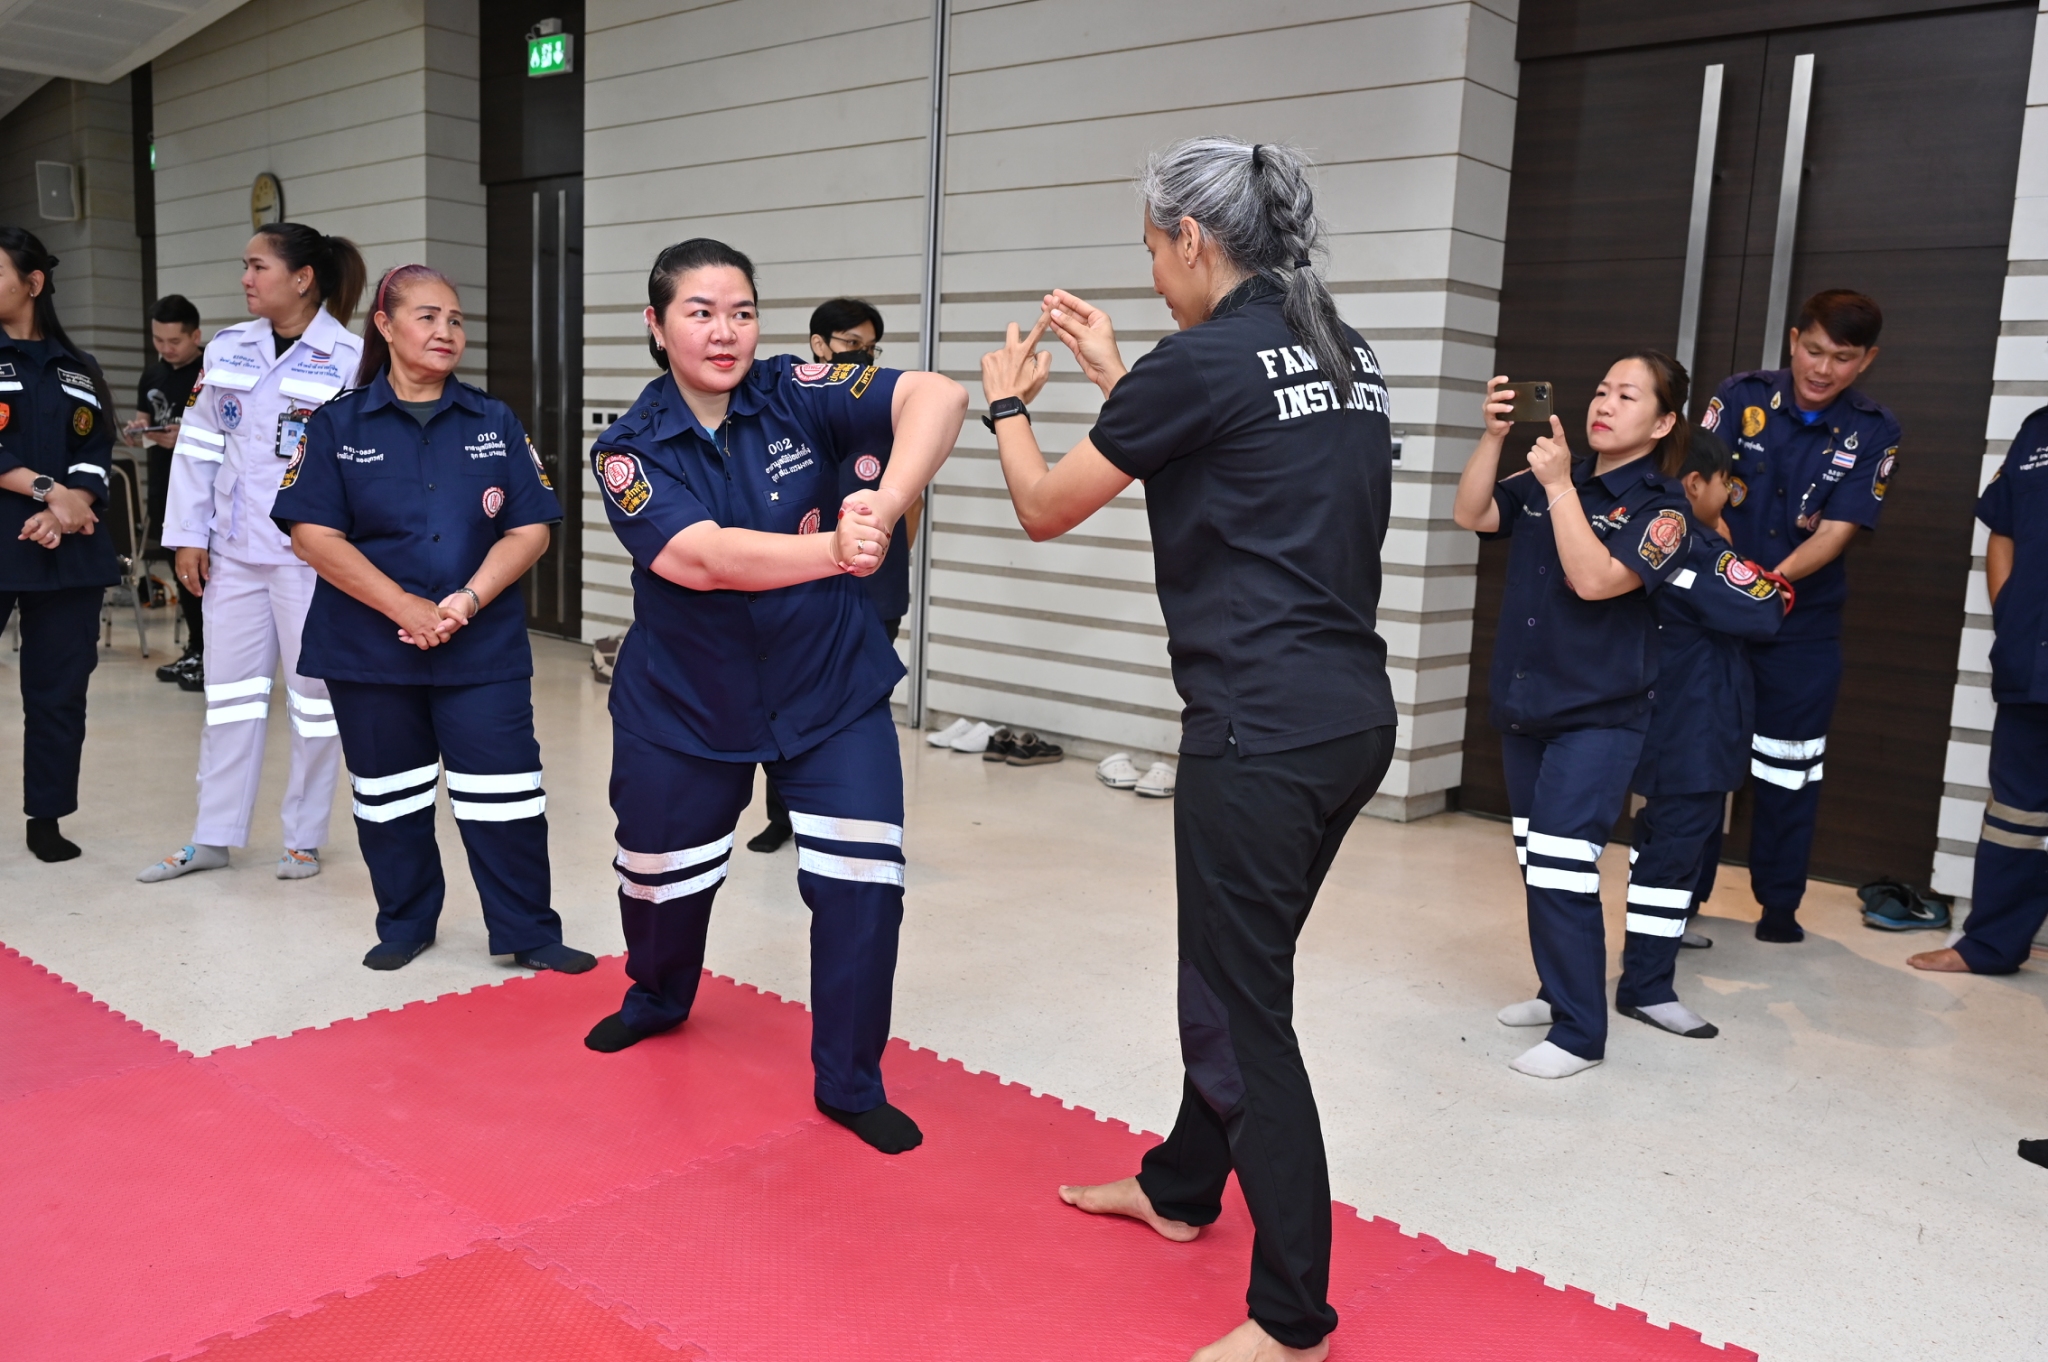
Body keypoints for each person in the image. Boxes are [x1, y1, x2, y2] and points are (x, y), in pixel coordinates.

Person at [983, 138, 1397, 1362]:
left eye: (1152, 250)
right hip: (1346, 720)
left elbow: (1044, 506)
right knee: (1228, 971)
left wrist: (1007, 404)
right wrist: (1121, 370)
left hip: (1257, 732)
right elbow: (1230, 456)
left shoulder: (1205, 361)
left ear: (1192, 239)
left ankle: (1292, 1319)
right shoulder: (1340, 350)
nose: (1152, 273)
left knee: (1239, 1008)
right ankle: (1178, 1187)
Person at [582, 238, 967, 1158]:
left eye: (742, 312)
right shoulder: (628, 449)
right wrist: (834, 549)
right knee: (661, 880)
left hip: (829, 686)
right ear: (656, 325)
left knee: (862, 886)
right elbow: (702, 558)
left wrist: (883, 504)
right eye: (700, 313)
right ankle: (658, 994)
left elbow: (938, 397)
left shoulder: (798, 388)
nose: (725, 332)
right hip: (684, 702)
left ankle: (850, 1082)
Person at [270, 265, 595, 974]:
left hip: (480, 647)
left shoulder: (493, 420)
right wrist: (405, 607)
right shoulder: (336, 424)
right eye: (427, 317)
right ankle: (406, 922)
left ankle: (528, 930)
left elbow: (530, 529)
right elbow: (312, 537)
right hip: (369, 648)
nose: (446, 331)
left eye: (455, 319)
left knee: (506, 792)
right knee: (390, 796)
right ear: (385, 326)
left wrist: (467, 600)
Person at [1453, 356, 1695, 1081]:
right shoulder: (1556, 476)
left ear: (1663, 422)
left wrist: (1560, 487)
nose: (1605, 404)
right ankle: (1558, 990)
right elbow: (1473, 514)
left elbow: (1596, 581)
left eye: (1628, 396)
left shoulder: (1665, 508)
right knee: (1540, 862)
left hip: (1599, 717)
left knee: (1563, 864)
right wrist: (1493, 438)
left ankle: (1581, 1033)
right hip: (1530, 704)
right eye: (1601, 390)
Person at [139, 224, 365, 884]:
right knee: (230, 697)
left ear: (302, 278)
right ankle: (213, 836)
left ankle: (303, 838)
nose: (245, 278)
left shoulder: (350, 358)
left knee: (314, 702)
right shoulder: (229, 348)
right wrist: (188, 535)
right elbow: (200, 445)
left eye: (258, 266)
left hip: (310, 559)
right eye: (246, 265)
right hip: (233, 553)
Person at [1698, 290, 1898, 941]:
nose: (1822, 369)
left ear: (1866, 361)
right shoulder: (1741, 397)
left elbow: (1836, 533)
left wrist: (1764, 585)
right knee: (1696, 763)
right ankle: (1680, 900)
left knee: (1790, 770)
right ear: (1793, 340)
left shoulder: (1874, 430)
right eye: (1813, 351)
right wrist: (1732, 574)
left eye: (1842, 358)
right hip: (1715, 619)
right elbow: (1697, 489)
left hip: (1801, 630)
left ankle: (1778, 908)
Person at [1620, 430, 1792, 1038]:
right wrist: (1731, 552)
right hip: (1692, 723)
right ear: (1696, 484)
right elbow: (1766, 606)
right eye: (1726, 484)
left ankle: (1657, 935)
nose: (1730, 495)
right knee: (1675, 845)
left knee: (1659, 837)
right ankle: (1646, 986)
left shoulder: (1636, 530)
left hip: (1660, 714)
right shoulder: (1694, 546)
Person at [748, 297, 912, 853]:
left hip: (876, 585)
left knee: (860, 704)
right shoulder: (790, 407)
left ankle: (848, 812)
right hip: (804, 583)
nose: (863, 355)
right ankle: (782, 816)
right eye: (851, 344)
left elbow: (909, 498)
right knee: (789, 701)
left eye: (871, 347)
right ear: (819, 346)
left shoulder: (882, 407)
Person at [1908, 401, 2048, 977]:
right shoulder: (2038, 431)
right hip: (2032, 658)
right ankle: (1990, 946)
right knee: (2016, 814)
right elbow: (2003, 532)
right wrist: (2010, 614)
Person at [0, 227, 117, 862]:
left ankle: (45, 817)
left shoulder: (79, 367)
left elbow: (96, 452)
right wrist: (49, 491)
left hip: (67, 550)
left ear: (33, 283)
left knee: (58, 694)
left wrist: (67, 510)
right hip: (7, 535)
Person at [122, 294, 206, 688]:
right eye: (158, 340)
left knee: (207, 576)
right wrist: (138, 432)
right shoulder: (152, 375)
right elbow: (145, 421)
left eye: (174, 341)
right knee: (180, 571)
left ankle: (211, 652)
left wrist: (185, 437)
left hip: (203, 491)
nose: (166, 348)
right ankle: (195, 648)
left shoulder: (211, 370)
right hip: (163, 486)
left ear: (195, 336)